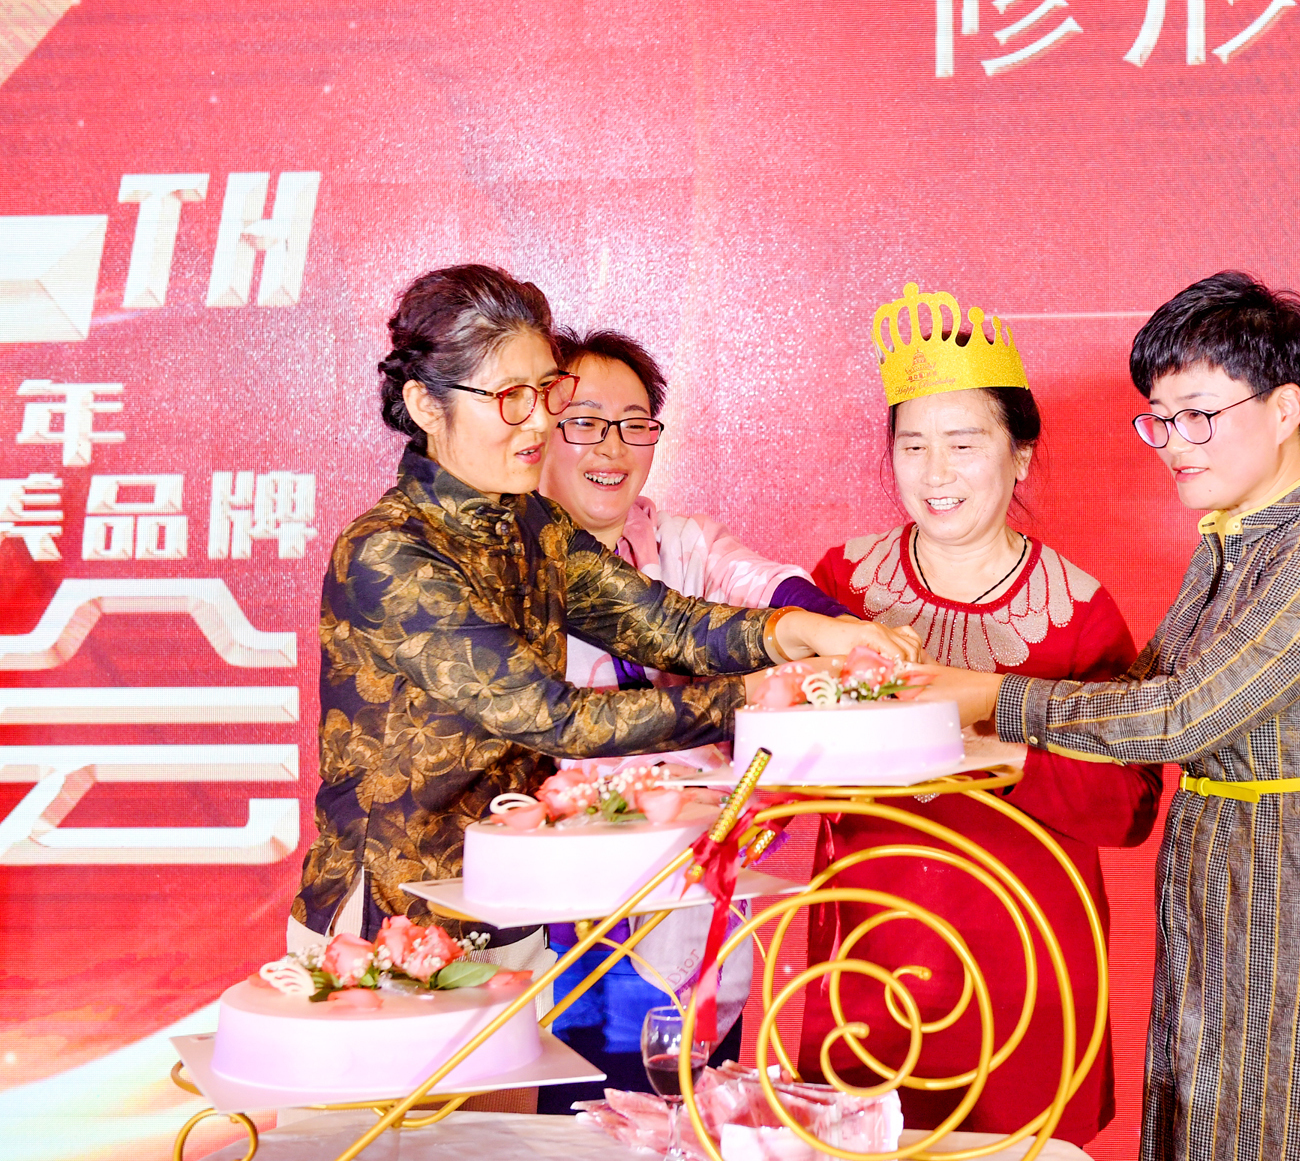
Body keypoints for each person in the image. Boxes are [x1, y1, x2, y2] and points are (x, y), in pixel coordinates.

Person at [917, 272, 1300, 1161]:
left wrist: (986, 694)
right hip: (1215, 884)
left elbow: (1183, 715)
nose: (1174, 446)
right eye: (1159, 420)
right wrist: (951, 726)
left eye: (1198, 417)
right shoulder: (1234, 538)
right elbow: (1135, 695)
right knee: (1204, 1124)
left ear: (1284, 408)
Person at [289, 265, 918, 972]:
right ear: (426, 405)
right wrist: (759, 695)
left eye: (546, 392)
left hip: (505, 901)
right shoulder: (388, 551)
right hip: (386, 920)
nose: (539, 422)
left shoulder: (532, 522)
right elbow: (555, 718)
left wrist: (801, 630)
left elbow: (663, 624)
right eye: (510, 397)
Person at [798, 283, 1162, 1147]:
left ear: (1020, 456)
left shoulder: (1078, 612)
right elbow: (790, 745)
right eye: (913, 445)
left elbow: (1130, 806)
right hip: (869, 947)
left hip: (1027, 958)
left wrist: (995, 749)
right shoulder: (842, 588)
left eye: (964, 445)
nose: (935, 473)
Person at [532, 326, 856, 1111]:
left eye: (634, 423)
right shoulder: (506, 567)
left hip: (700, 888)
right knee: (579, 1122)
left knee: (696, 1111)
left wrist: (836, 628)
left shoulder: (682, 543)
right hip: (571, 908)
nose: (613, 447)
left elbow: (763, 586)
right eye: (585, 422)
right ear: (540, 430)